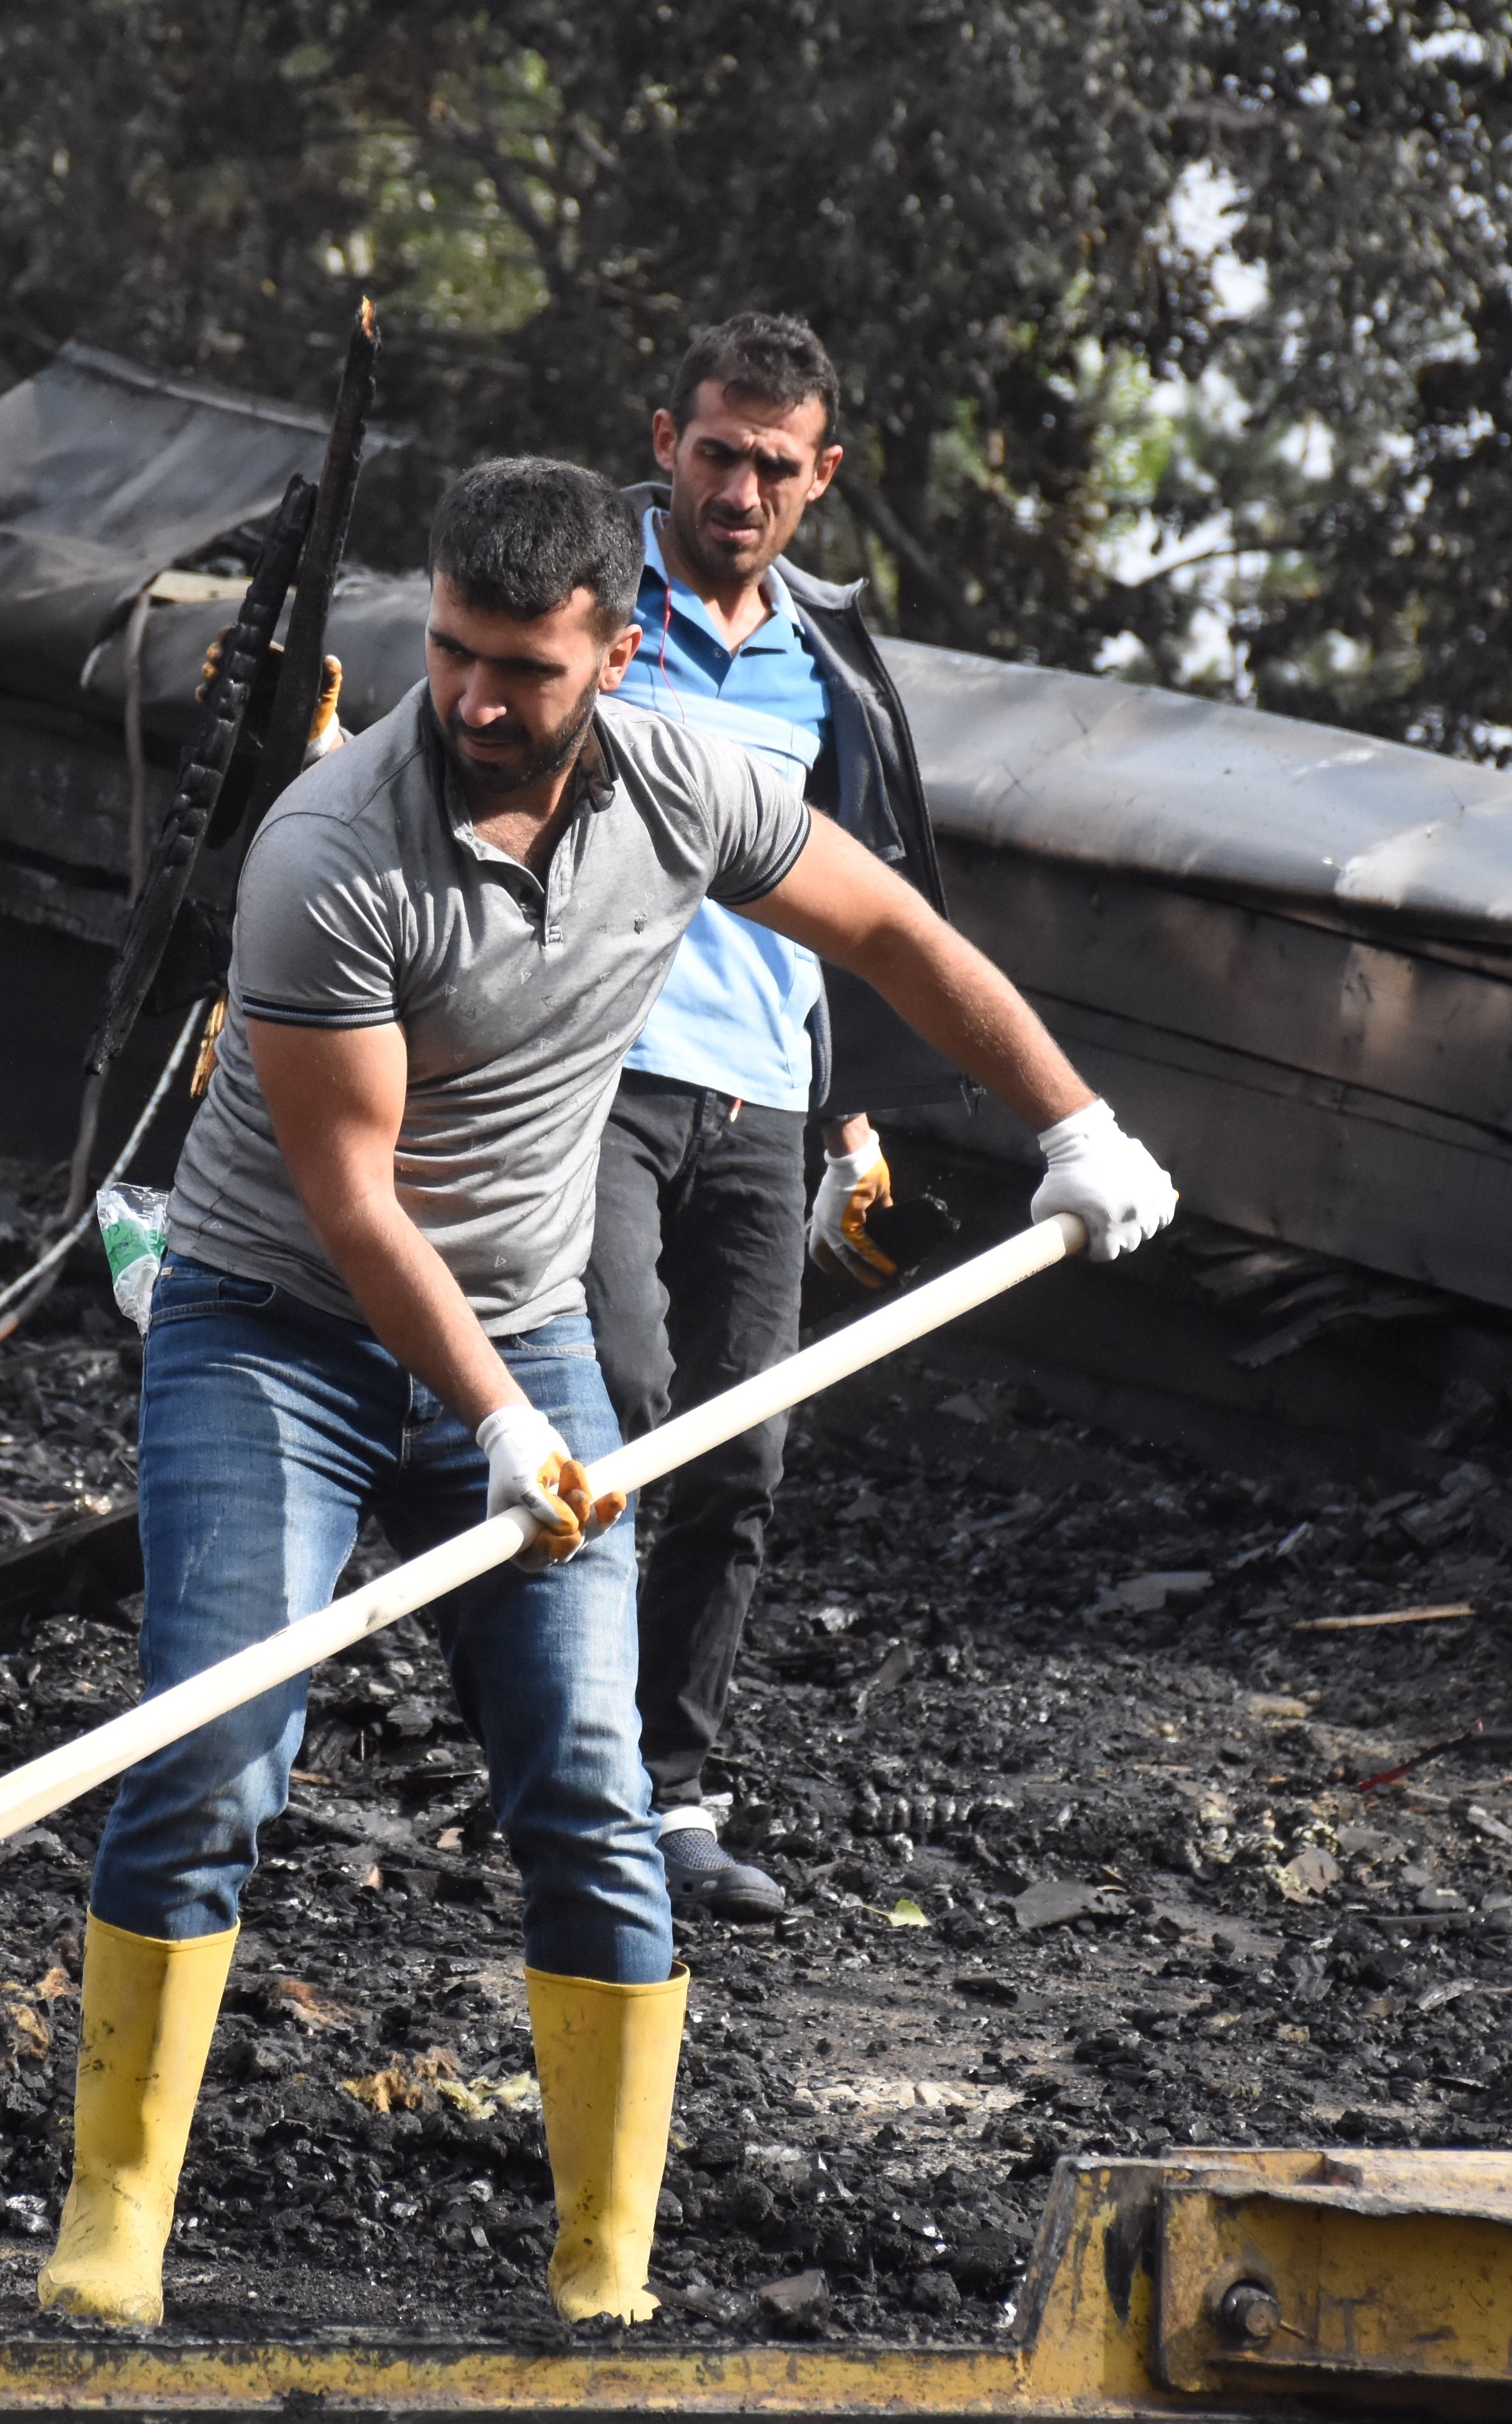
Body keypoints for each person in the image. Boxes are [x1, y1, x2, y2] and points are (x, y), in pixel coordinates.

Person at [40, 458, 1175, 2333]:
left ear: (616, 652)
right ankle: (114, 2223)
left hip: (525, 1321)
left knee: (589, 1780)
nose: (479, 701)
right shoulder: (332, 848)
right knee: (215, 1752)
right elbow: (350, 1197)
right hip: (277, 1332)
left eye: (527, 671)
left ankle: (604, 2268)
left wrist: (1076, 1121)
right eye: (456, 654)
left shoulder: (687, 781)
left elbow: (893, 931)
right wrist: (498, 1415)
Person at [588, 313, 959, 1926]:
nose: (740, 487)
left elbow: (864, 900)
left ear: (822, 479)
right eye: (716, 450)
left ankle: (670, 1797)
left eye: (774, 465)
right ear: (665, 437)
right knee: (612, 1390)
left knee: (740, 1452)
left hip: (765, 1095)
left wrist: (855, 1106)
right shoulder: (588, 603)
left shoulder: (830, 666)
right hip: (593, 1068)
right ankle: (556, 1751)